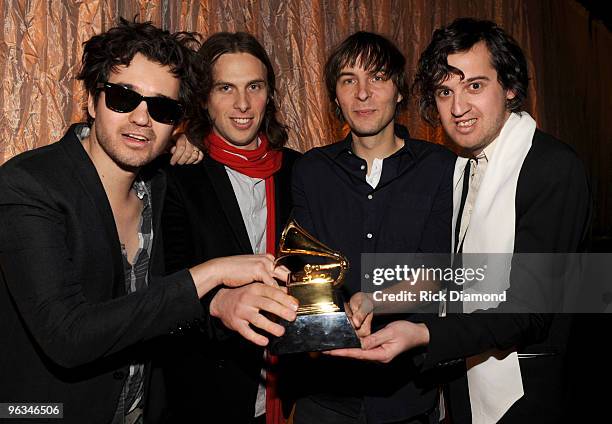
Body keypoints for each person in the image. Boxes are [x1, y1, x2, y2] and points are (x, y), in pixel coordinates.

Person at [0, 19, 296, 424]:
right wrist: (211, 275)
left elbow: (158, 310)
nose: (142, 119)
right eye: (124, 98)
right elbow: (67, 337)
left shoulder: (158, 187)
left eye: (161, 107)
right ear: (91, 100)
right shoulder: (30, 185)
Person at [329, 18, 591, 424]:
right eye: (445, 91)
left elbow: (529, 311)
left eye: (474, 85)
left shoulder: (551, 167)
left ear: (510, 87)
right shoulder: (461, 169)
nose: (457, 107)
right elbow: (453, 276)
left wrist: (422, 334)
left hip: (528, 395)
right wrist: (374, 299)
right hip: (462, 386)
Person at [289, 31, 455, 424]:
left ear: (399, 91)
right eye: (349, 80)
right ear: (336, 98)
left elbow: (438, 271)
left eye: (377, 77)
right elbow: (304, 271)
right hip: (325, 395)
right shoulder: (311, 171)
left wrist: (373, 300)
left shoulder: (441, 168)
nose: (363, 93)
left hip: (409, 395)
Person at [160, 32, 301, 424]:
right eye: (225, 88)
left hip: (285, 389)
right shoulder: (178, 175)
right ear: (204, 97)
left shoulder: (298, 170)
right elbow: (163, 286)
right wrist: (218, 303)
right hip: (208, 394)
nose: (242, 104)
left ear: (269, 94)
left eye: (253, 87)